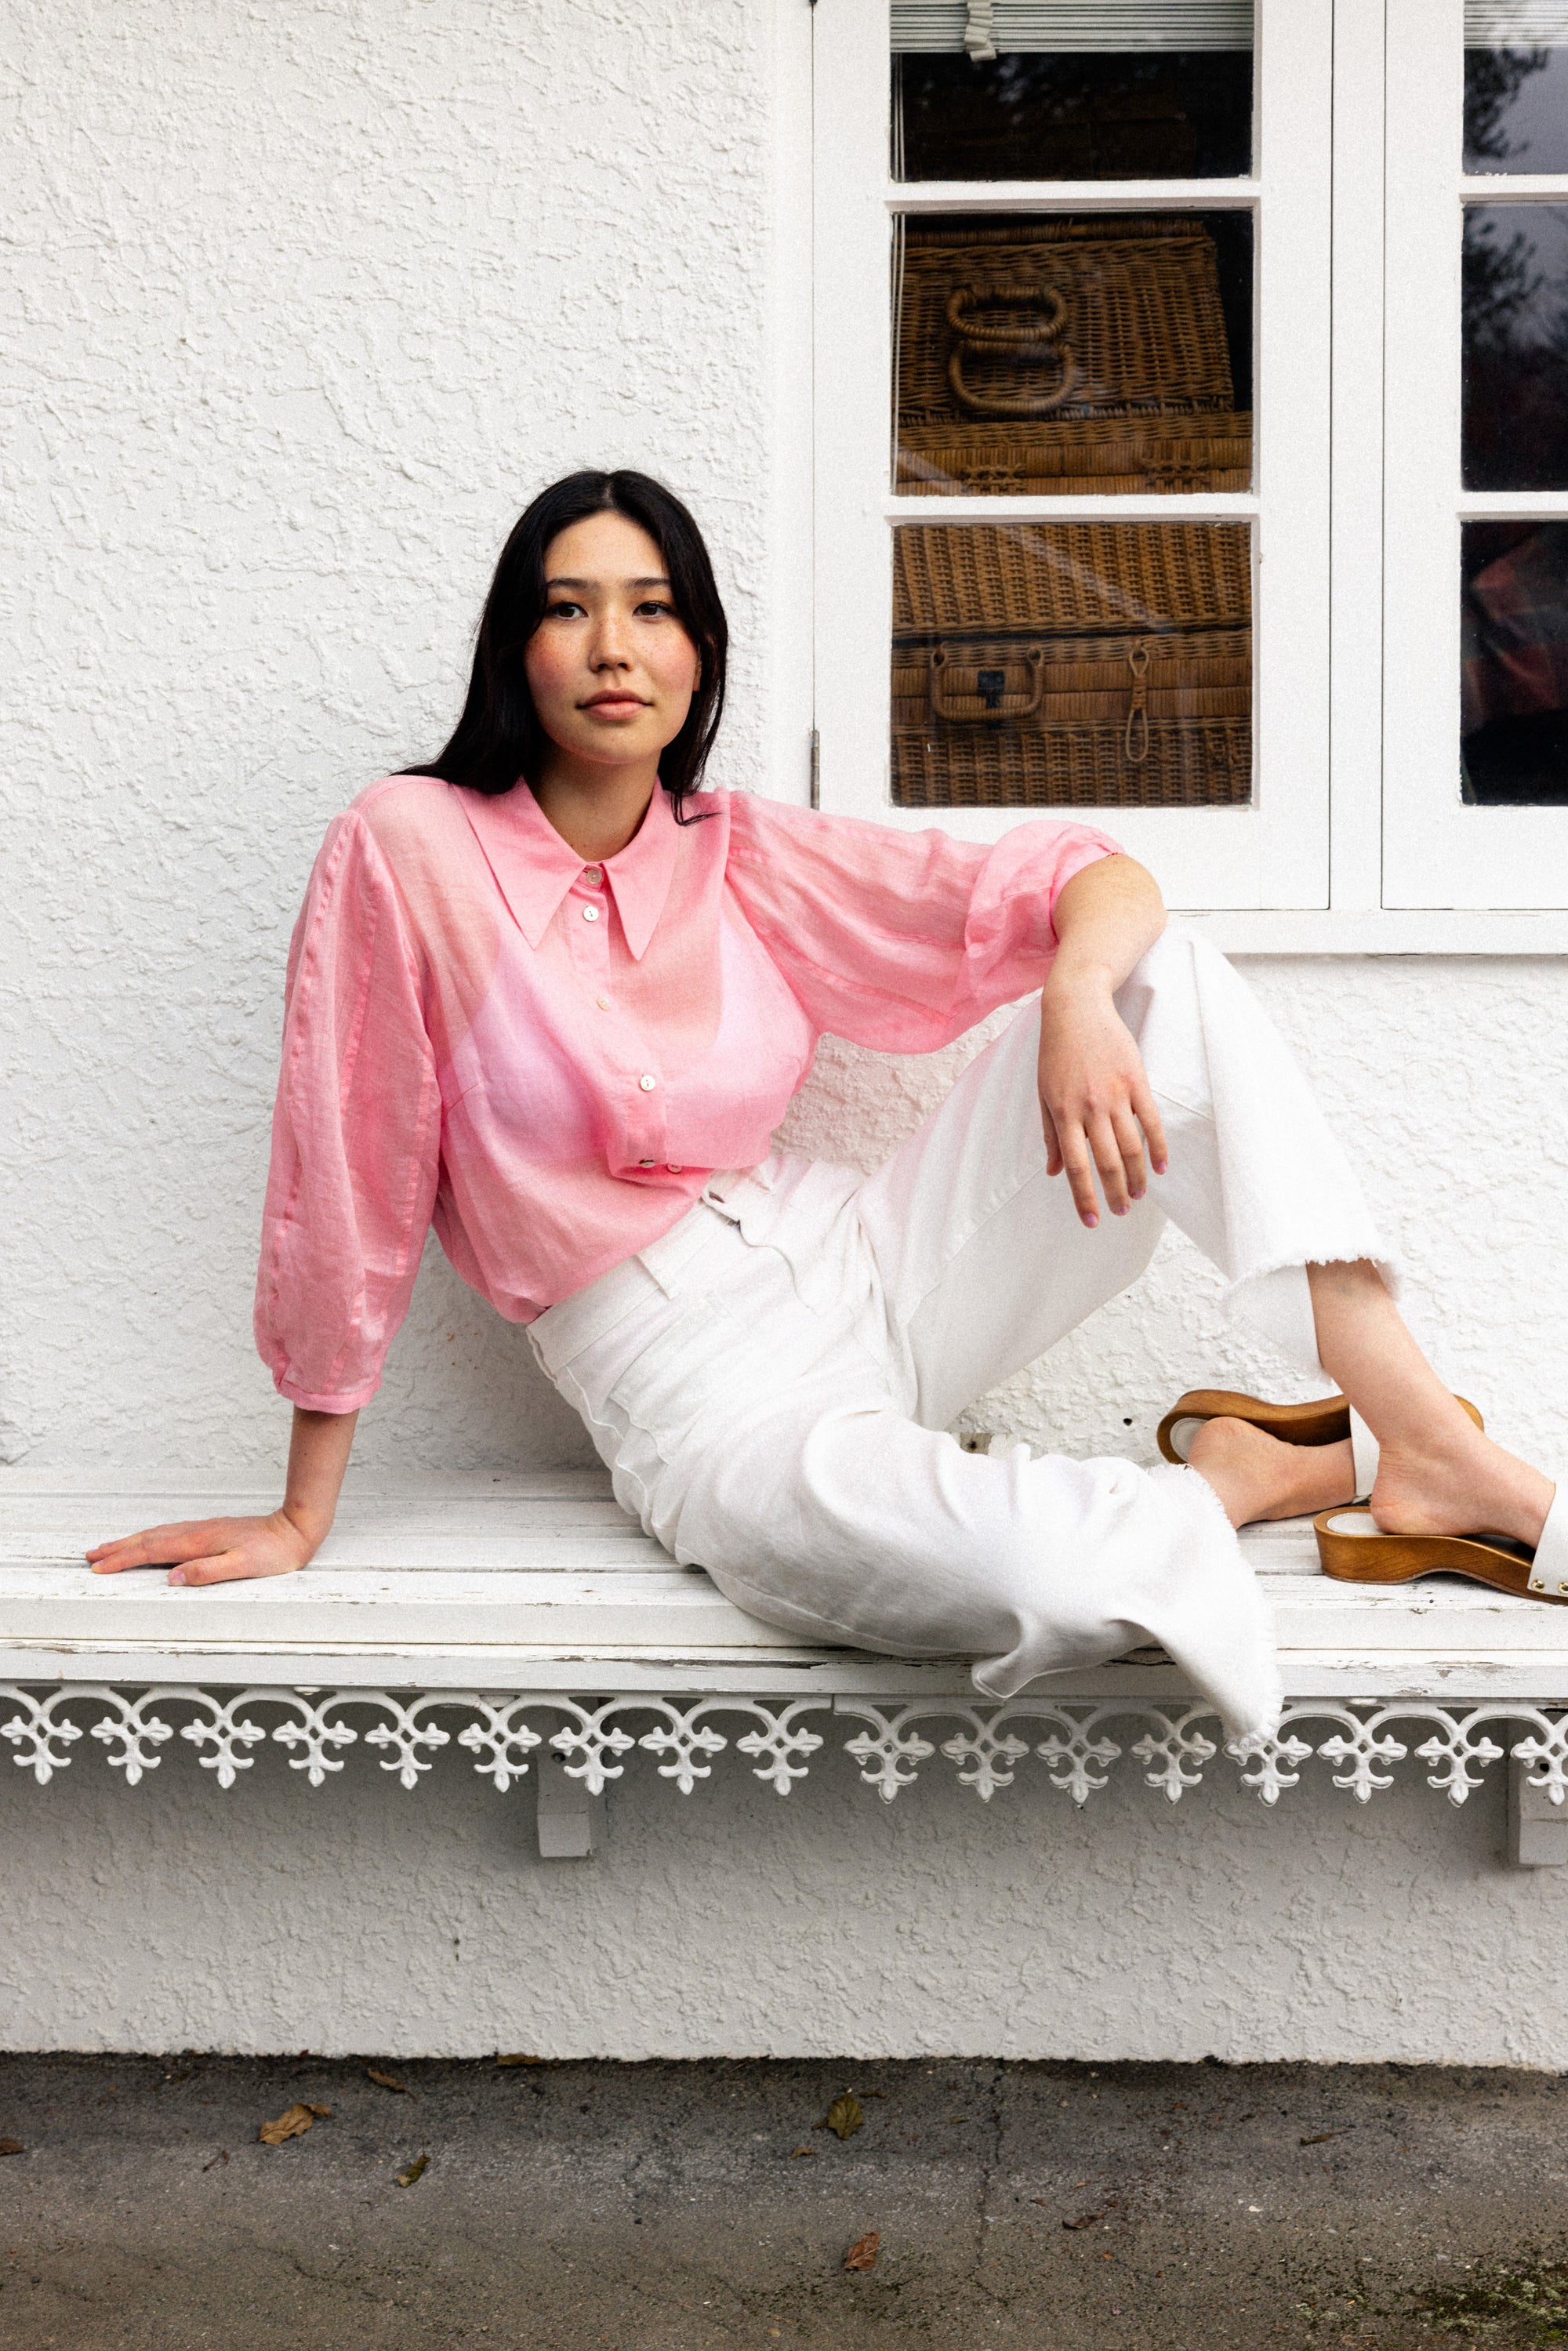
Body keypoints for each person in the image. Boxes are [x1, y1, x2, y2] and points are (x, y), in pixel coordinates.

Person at [88, 471, 1561, 1741]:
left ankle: (1427, 1446)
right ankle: (1235, 1479)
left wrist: (1068, 997)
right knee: (1047, 1584)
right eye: (568, 608)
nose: (614, 646)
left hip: (871, 1265)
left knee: (1157, 981)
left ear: (700, 653)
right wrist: (303, 1510)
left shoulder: (738, 851)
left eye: (654, 608)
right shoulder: (409, 845)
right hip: (700, 1393)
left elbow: (1090, 881)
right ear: (513, 648)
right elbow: (349, 1162)